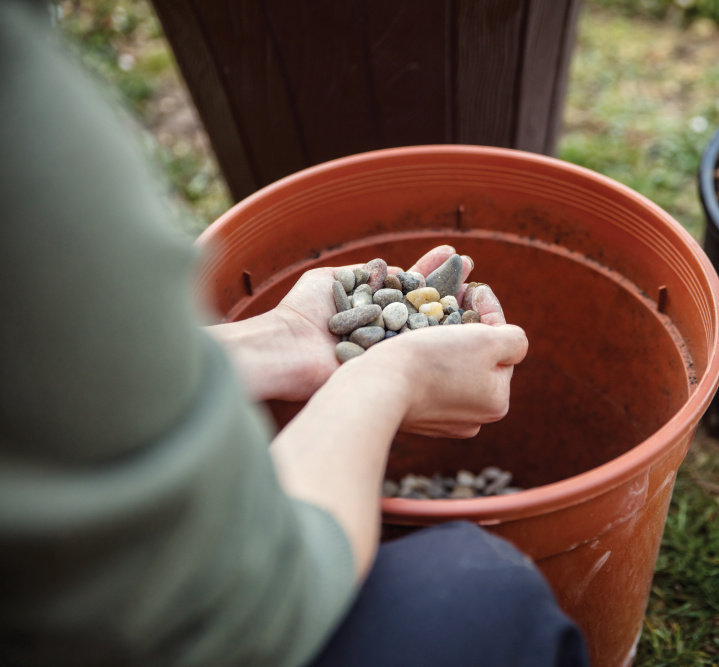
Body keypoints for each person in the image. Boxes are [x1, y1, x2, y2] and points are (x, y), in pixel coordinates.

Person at [0, 2, 590, 666]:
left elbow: (48, 394)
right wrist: (390, 376)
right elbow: (248, 607)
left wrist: (280, 336)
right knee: (483, 592)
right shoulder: (22, 143)